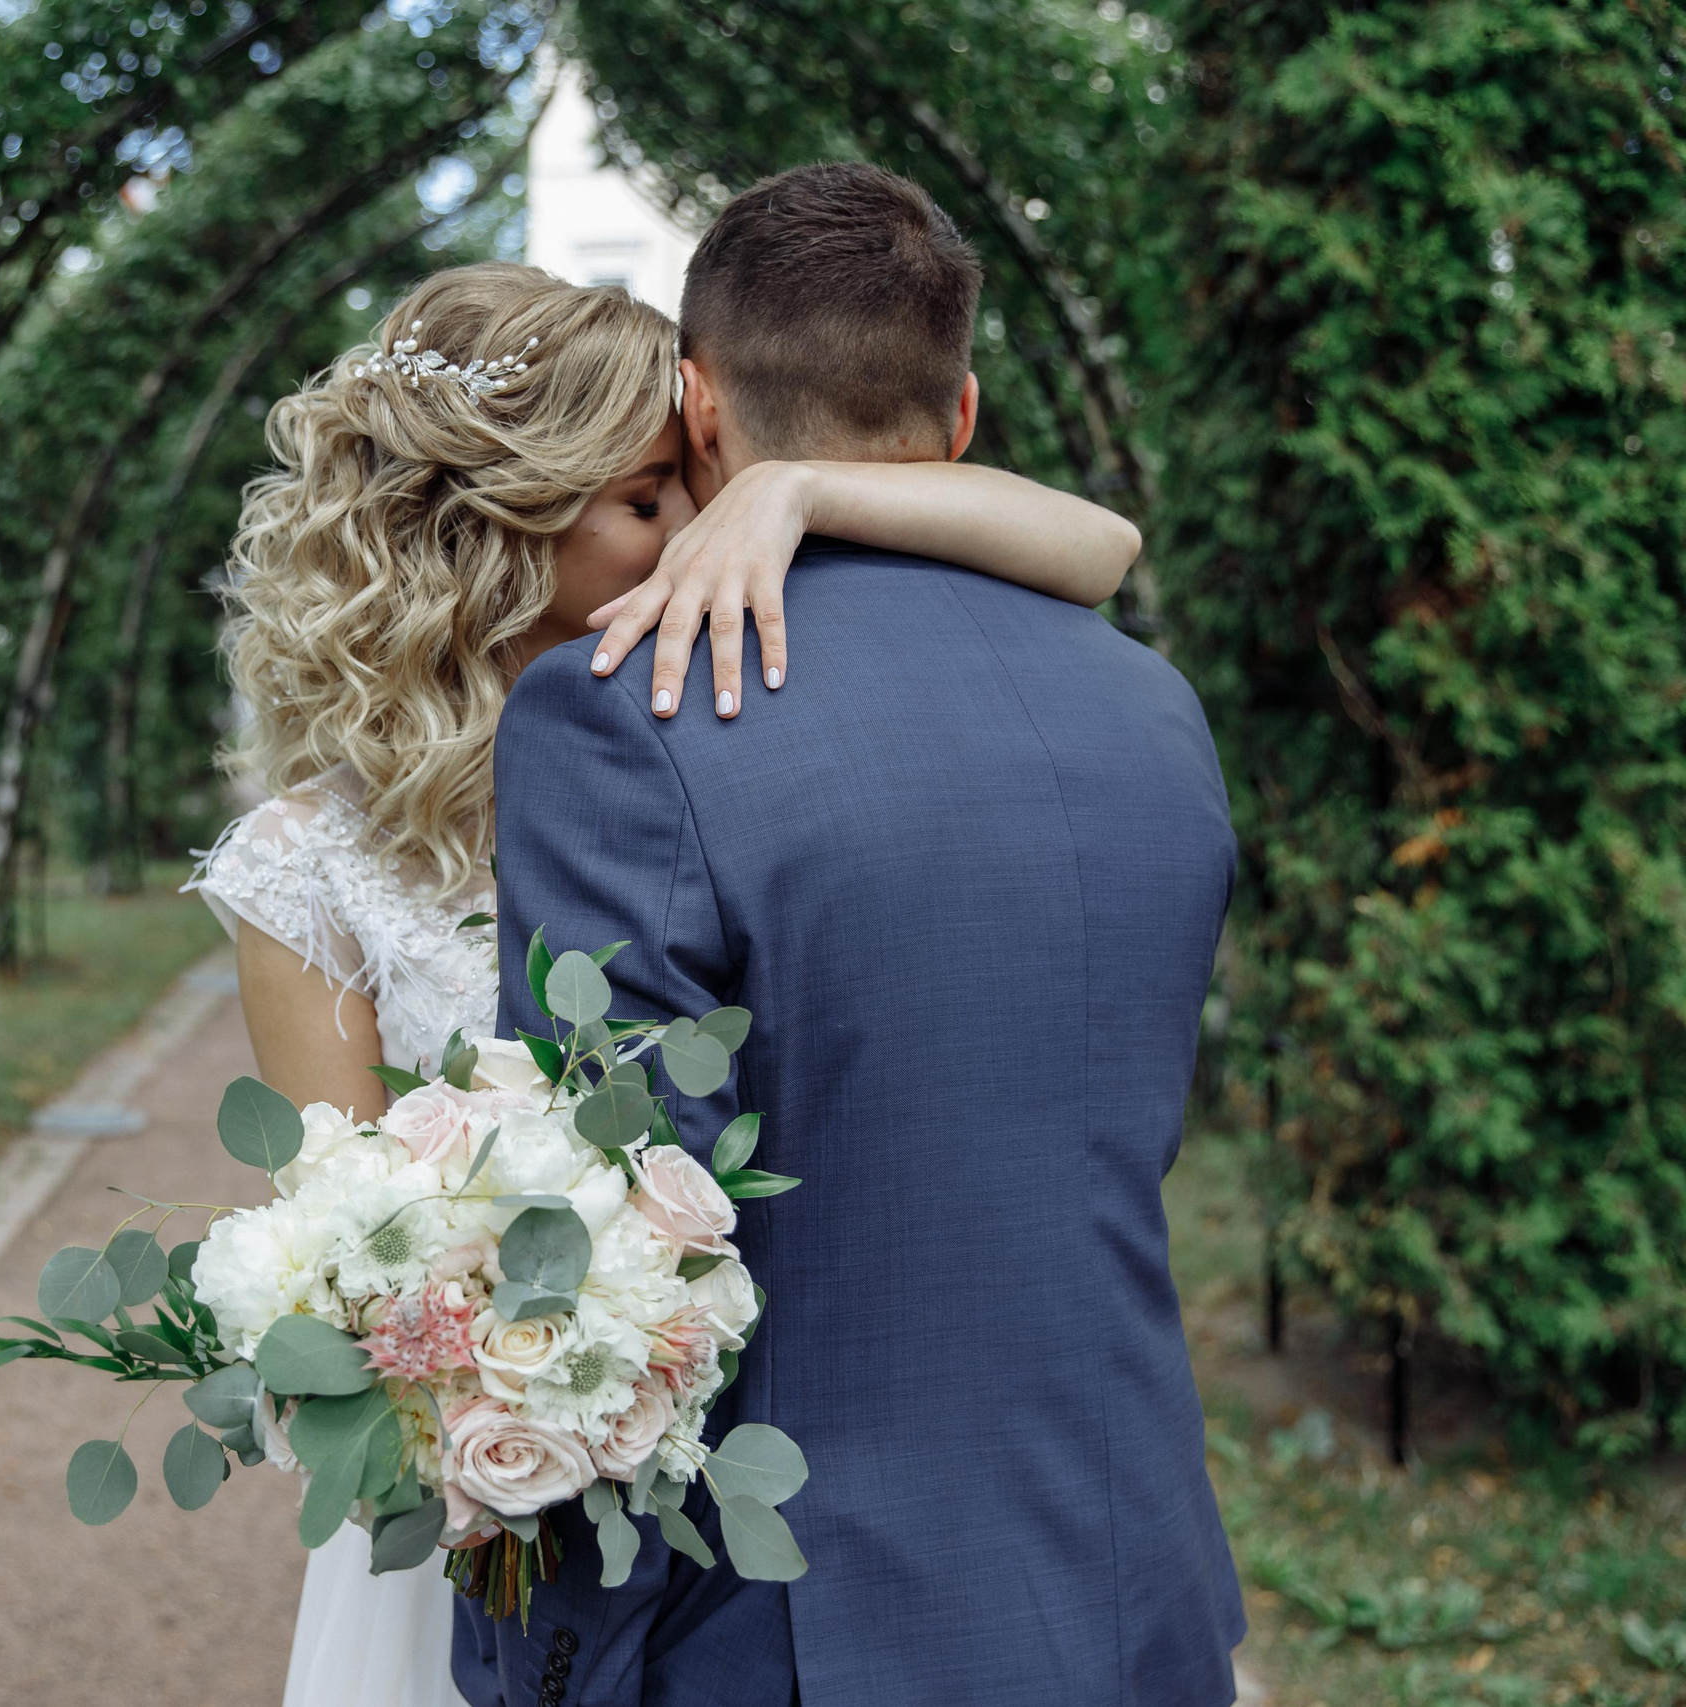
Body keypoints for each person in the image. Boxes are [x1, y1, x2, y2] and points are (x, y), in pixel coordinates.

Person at [189, 256, 1149, 1707]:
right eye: (649, 500)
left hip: (780, 1479)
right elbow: (345, 1270)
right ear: (500, 527)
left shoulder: (723, 725)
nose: (695, 530)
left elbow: (1099, 544)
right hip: (501, 1511)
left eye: (698, 484)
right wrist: (517, 1388)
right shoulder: (308, 870)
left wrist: (801, 494)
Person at [466, 165, 1246, 1706]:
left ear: (697, 410)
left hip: (793, 1634)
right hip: (1133, 1585)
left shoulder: (627, 712)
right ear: (959, 423)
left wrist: (542, 1671)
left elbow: (607, 1254)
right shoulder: (1154, 709)